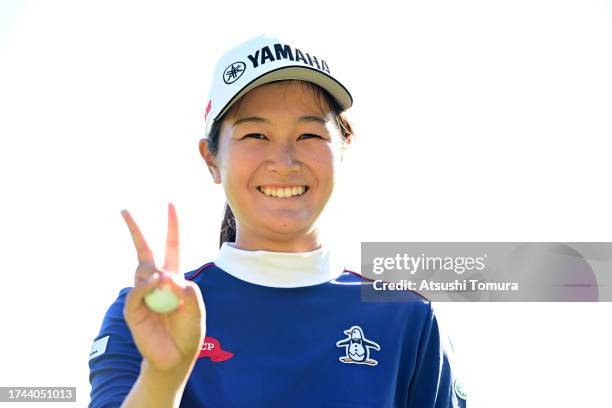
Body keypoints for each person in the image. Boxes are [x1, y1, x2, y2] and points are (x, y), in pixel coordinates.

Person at [88, 34, 467, 407]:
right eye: (256, 134)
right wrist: (162, 378)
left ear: (343, 147)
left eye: (308, 134)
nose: (284, 162)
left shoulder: (407, 317)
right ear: (211, 159)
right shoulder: (149, 315)